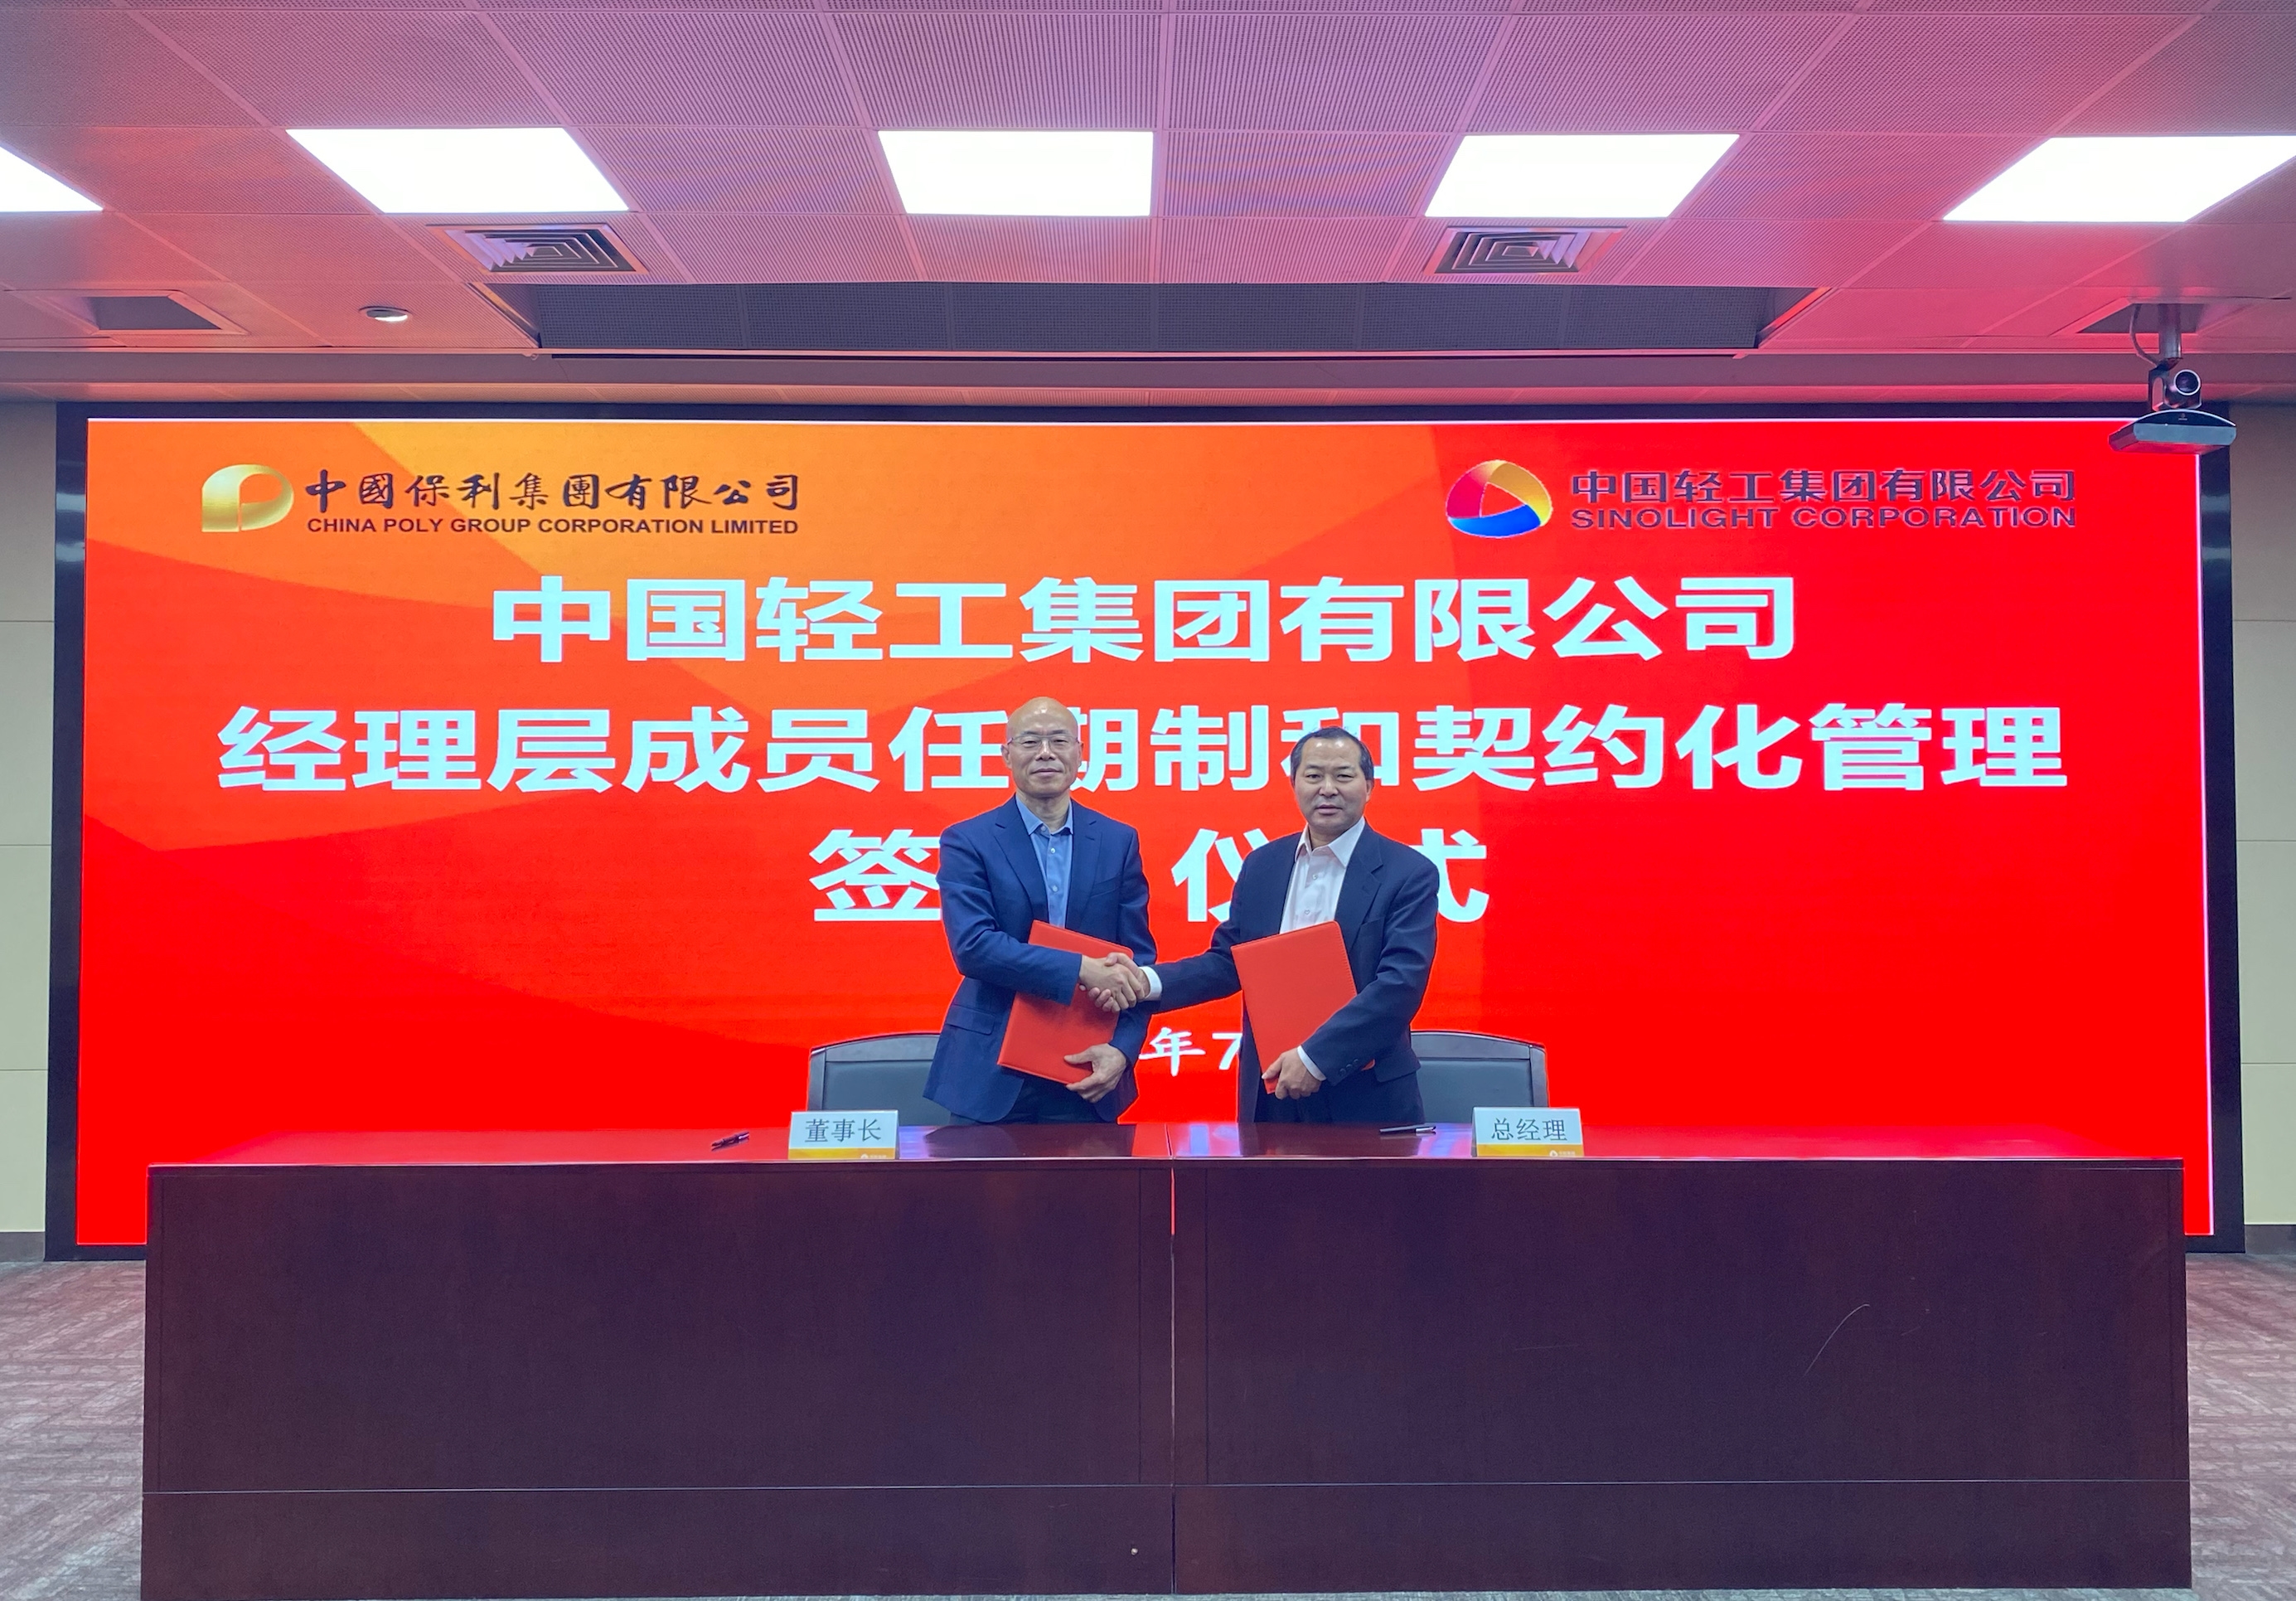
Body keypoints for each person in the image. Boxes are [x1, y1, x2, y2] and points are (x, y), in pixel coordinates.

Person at [1105, 726, 1438, 1123]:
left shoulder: (1408, 873)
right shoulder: (1263, 865)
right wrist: (1145, 982)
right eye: (1313, 775)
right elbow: (1228, 962)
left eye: (1343, 776)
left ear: (1369, 786)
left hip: (1368, 1096)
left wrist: (1313, 1059)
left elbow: (1400, 985)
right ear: (1294, 784)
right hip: (1272, 1090)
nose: (1327, 789)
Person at [923, 696, 1155, 1123]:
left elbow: (1137, 964)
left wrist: (1123, 1051)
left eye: (1059, 741)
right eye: (1030, 741)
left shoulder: (1118, 841)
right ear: (1006, 755)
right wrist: (1081, 969)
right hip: (989, 1071)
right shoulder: (968, 840)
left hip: (1088, 1065)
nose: (1046, 753)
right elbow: (973, 947)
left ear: (1080, 753)